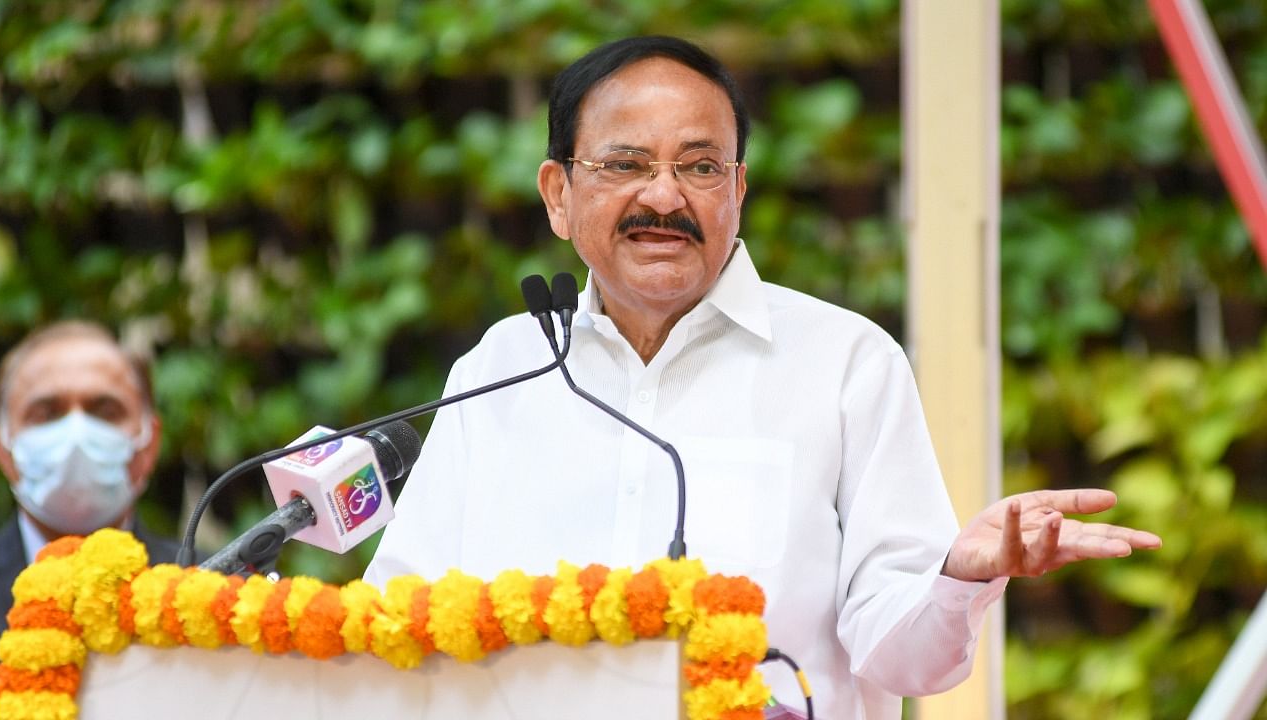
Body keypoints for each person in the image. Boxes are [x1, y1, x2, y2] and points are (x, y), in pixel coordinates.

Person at [365, 36, 1161, 718]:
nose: (664, 196)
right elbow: (401, 626)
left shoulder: (844, 363)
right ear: (558, 195)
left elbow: (905, 662)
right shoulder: (503, 369)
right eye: (626, 163)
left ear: (738, 192)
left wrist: (957, 580)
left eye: (700, 166)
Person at [0, 321, 180, 700]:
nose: (76, 433)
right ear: (3, 449)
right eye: (46, 412)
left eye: (105, 411)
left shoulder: (217, 585)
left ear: (149, 444)